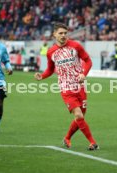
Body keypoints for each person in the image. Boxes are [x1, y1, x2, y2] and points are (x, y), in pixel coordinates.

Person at [34, 22, 99, 150]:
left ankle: (67, 138)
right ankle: (93, 142)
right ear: (54, 34)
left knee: (80, 117)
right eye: (60, 33)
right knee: (79, 116)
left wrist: (83, 74)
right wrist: (42, 76)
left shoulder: (75, 46)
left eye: (65, 33)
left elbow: (88, 61)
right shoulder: (51, 51)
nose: (63, 35)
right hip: (66, 88)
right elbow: (50, 70)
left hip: (80, 87)